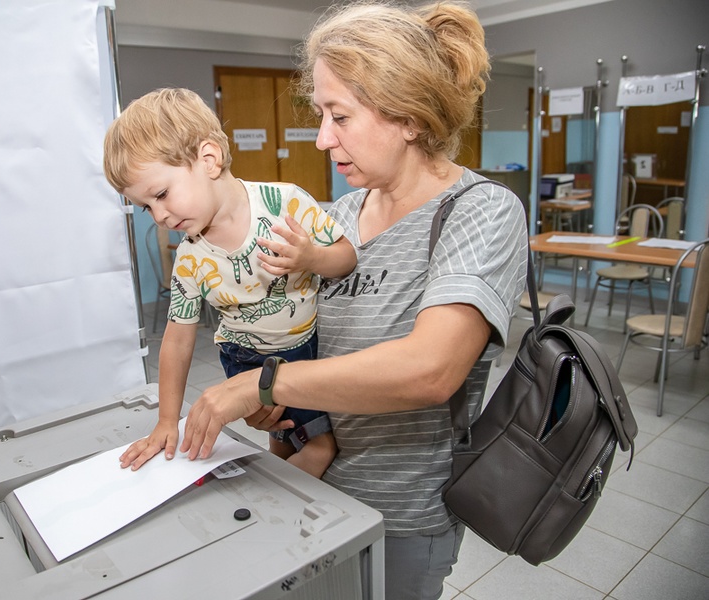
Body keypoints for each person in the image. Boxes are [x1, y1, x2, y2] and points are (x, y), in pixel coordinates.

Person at [178, 3, 528, 599]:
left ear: (409, 117)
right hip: (307, 492)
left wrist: (265, 385)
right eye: (320, 113)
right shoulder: (331, 220)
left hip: (401, 517)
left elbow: (430, 370)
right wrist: (274, 410)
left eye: (340, 115)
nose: (321, 137)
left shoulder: (480, 212)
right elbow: (293, 349)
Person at [103, 88, 357, 477]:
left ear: (209, 159)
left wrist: (311, 258)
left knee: (320, 447)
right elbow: (177, 339)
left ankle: (282, 514)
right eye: (146, 207)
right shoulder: (189, 258)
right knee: (284, 435)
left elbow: (346, 258)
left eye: (162, 195)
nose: (159, 216)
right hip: (243, 356)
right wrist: (167, 422)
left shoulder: (286, 204)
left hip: (301, 350)